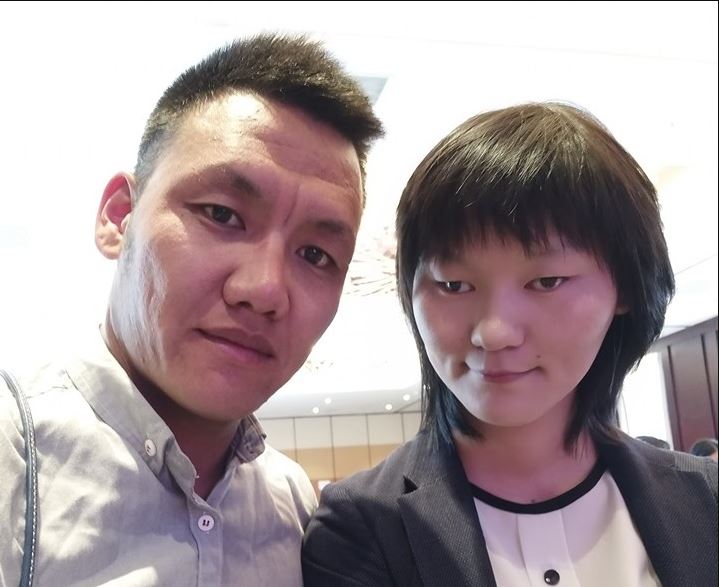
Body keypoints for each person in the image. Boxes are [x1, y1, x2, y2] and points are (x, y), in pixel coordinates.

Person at [0, 33, 383, 586]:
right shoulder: (17, 456)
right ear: (120, 216)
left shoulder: (290, 505)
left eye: (316, 255)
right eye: (222, 215)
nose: (265, 289)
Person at [302, 103, 718, 586]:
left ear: (624, 288)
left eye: (546, 281)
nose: (493, 332)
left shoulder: (706, 500)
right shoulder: (361, 529)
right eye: (453, 285)